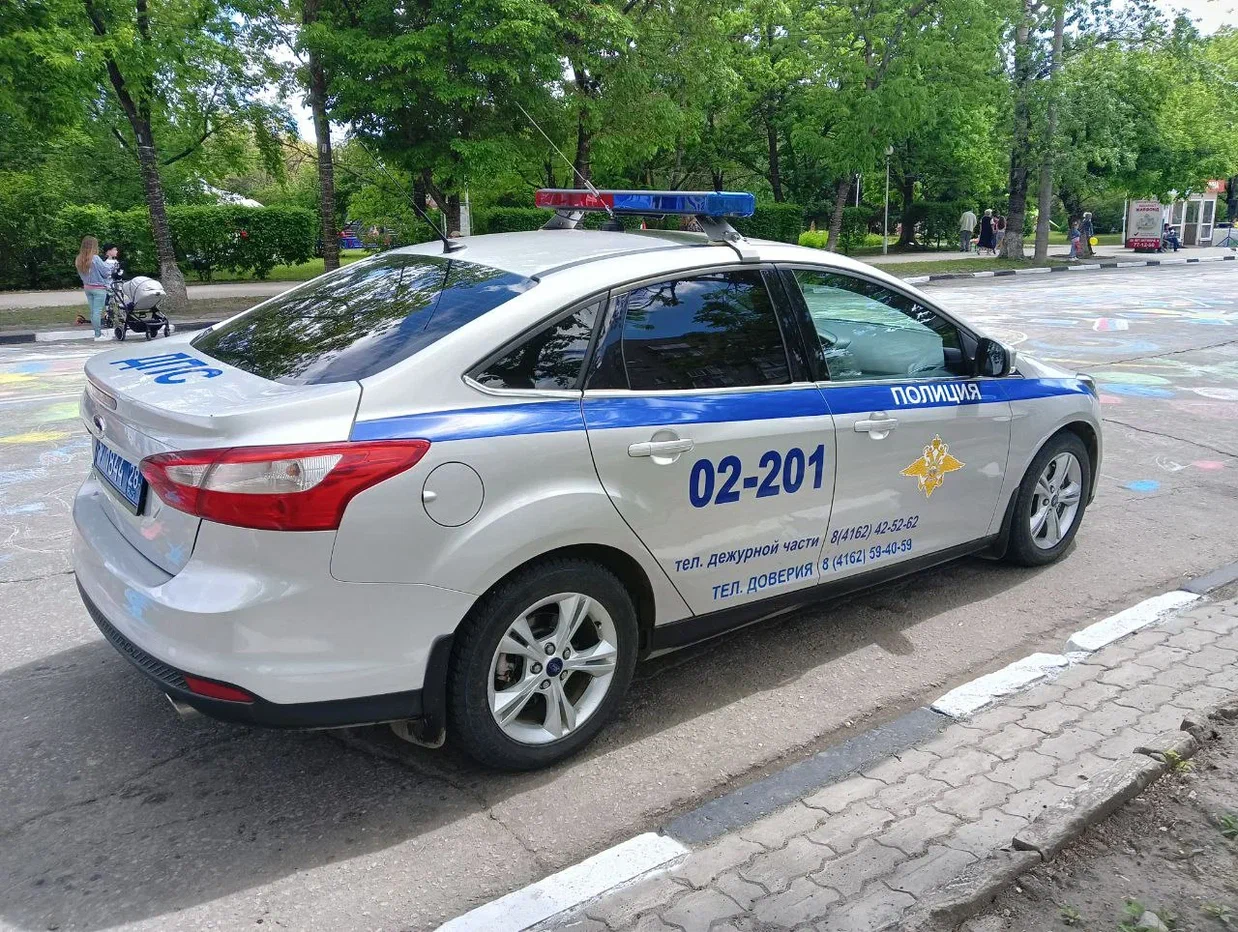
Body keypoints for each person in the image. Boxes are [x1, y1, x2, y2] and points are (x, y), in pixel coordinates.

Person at [75, 236, 118, 342]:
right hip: (99, 288)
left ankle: (97, 333)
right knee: (97, 312)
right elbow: (105, 272)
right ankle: (98, 335)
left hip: (87, 287)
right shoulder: (95, 258)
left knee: (93, 311)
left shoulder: (79, 259)